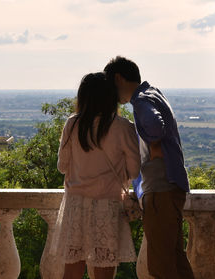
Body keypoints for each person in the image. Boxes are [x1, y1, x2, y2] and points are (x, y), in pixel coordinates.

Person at [104, 56, 195, 279]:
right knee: (175, 259)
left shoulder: (141, 101)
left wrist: (153, 145)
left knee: (161, 265)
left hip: (160, 189)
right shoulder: (154, 94)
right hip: (172, 186)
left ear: (118, 78)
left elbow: (155, 126)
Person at [49, 72, 140, 279]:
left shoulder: (72, 124)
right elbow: (135, 171)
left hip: (75, 206)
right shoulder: (123, 127)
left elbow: (62, 167)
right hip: (106, 207)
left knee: (71, 271)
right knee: (104, 273)